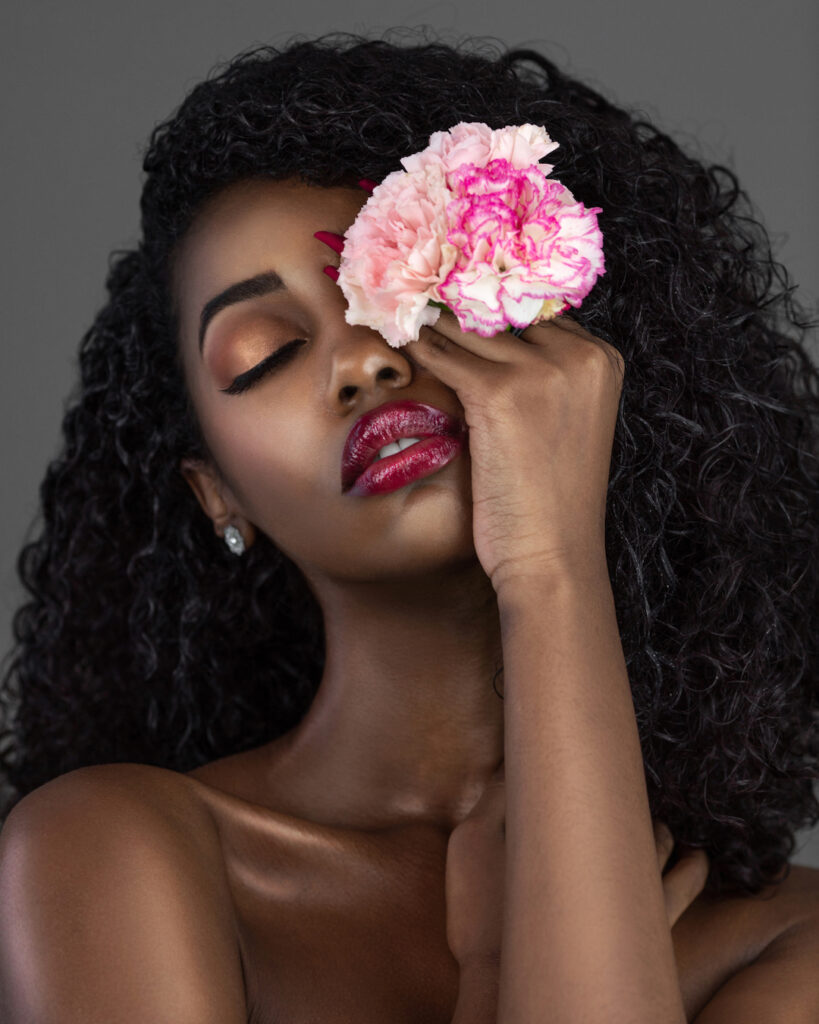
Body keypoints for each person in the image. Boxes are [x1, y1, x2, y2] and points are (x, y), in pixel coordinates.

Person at [0, 31, 818, 1023]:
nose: (363, 363)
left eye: (402, 293)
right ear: (220, 494)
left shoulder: (785, 940)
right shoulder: (110, 851)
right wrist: (489, 976)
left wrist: (550, 566)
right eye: (265, 354)